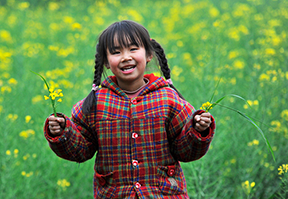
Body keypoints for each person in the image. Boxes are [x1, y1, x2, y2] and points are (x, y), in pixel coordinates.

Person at [44, 20, 215, 198]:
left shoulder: (168, 99)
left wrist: (198, 130)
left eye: (133, 49)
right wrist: (62, 132)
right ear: (106, 62)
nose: (126, 57)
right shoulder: (96, 103)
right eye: (116, 52)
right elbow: (80, 150)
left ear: (149, 54)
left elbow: (185, 151)